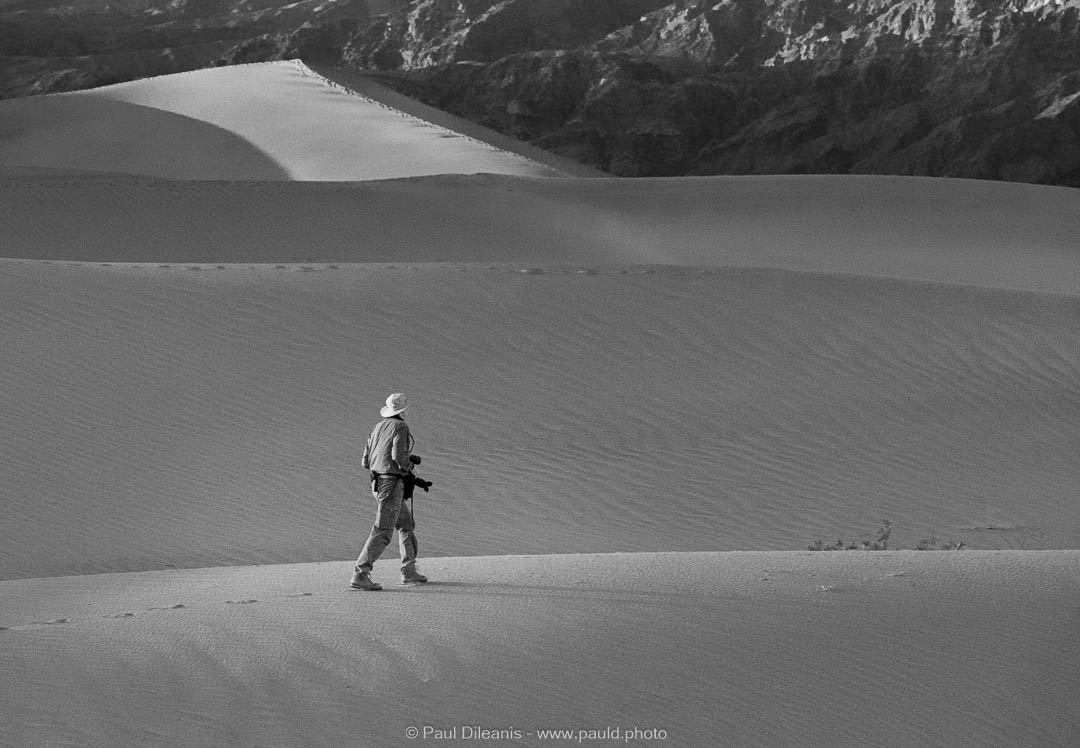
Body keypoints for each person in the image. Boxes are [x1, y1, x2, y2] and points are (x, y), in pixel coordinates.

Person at [350, 393, 428, 591]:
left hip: (378, 483)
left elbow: (365, 462)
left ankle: (409, 571)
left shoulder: (376, 428)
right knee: (383, 531)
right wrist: (410, 465)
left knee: (406, 524)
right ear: (403, 410)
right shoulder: (401, 427)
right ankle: (361, 574)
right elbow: (398, 457)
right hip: (391, 485)